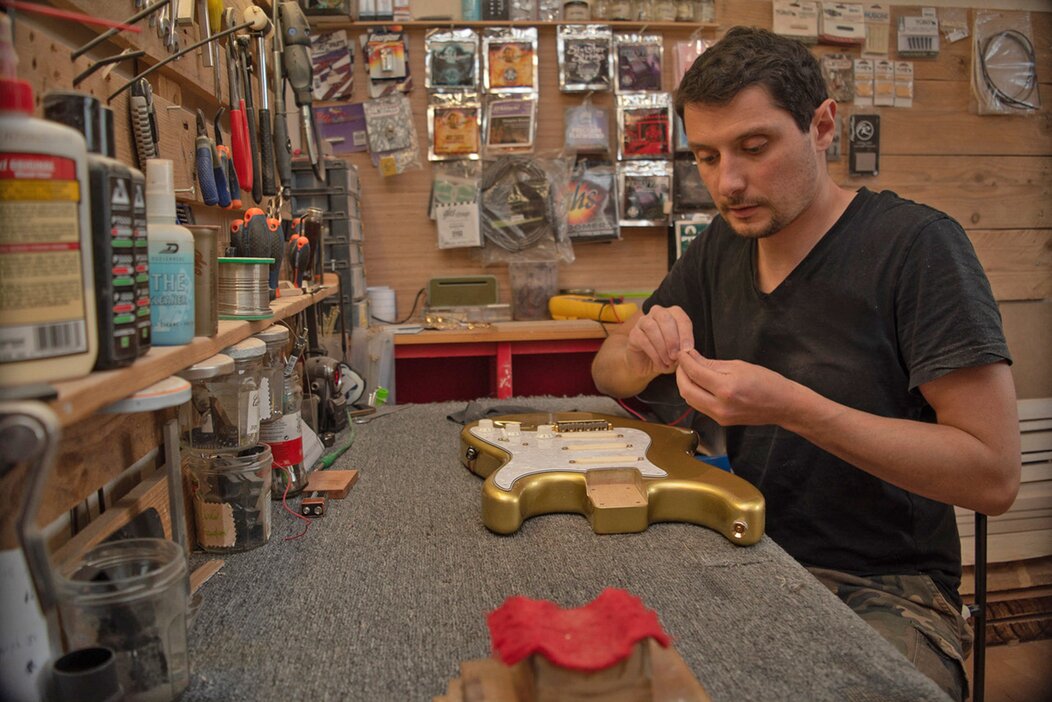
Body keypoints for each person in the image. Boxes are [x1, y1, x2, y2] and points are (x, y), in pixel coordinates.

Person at [591, 26, 1020, 701]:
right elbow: (606, 372)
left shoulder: (917, 249)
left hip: (885, 586)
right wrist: (638, 351)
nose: (727, 183)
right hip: (746, 551)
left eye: (754, 148)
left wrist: (795, 409)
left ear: (822, 125)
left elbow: (993, 476)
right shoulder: (718, 251)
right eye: (705, 156)